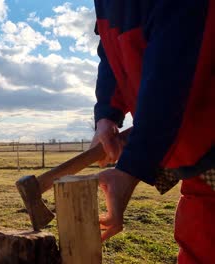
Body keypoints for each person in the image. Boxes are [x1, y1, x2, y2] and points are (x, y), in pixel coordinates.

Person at [90, 0, 214, 263]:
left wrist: (131, 168)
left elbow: (172, 74)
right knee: (199, 241)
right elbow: (110, 54)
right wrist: (106, 115)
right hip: (193, 155)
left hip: (207, 142)